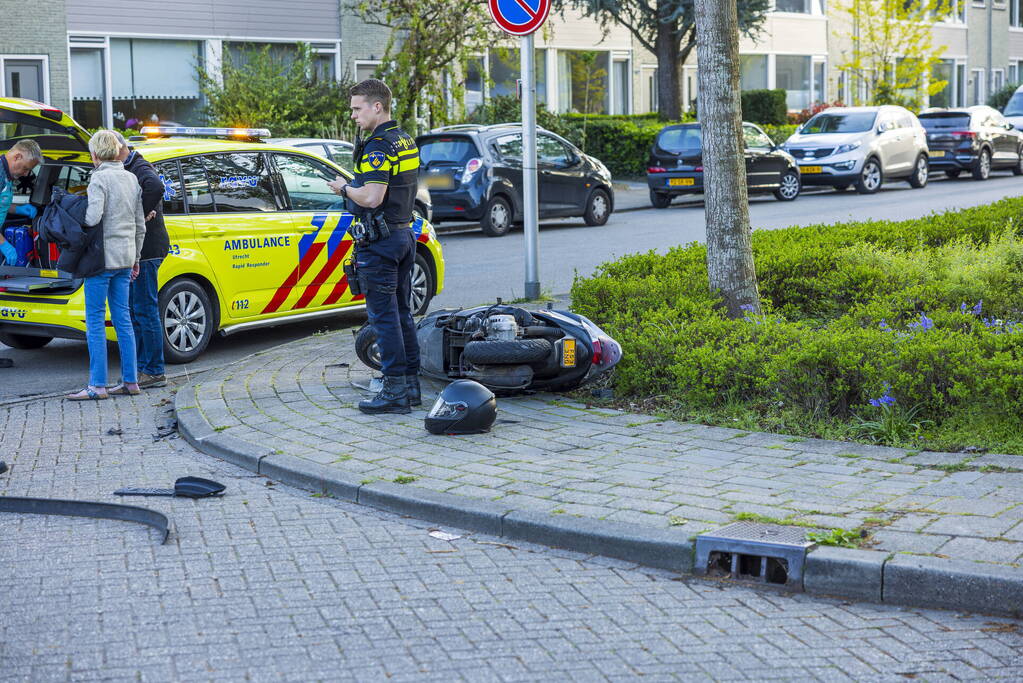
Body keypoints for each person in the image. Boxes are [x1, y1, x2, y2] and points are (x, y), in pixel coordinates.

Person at [328, 79, 421, 415]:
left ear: (377, 106)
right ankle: (410, 385)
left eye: (357, 108)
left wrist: (343, 188)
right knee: (401, 313)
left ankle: (394, 390)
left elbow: (371, 196)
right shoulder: (404, 140)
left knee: (384, 319)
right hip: (402, 236)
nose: (353, 115)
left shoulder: (379, 147)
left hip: (380, 242)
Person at [67, 130, 146, 401]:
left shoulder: (99, 178)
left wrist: (73, 211)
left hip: (101, 261)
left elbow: (92, 217)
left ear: (95, 155)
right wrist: (135, 259)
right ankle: (130, 381)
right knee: (123, 319)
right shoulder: (131, 178)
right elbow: (140, 224)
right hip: (125, 258)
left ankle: (97, 386)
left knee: (96, 321)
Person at [114, 133, 169, 388]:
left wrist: (140, 213)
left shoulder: (139, 166)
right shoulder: (131, 166)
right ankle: (140, 368)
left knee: (145, 310)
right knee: (137, 310)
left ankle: (154, 370)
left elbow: (157, 187)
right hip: (140, 249)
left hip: (148, 250)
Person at [0, 140, 44, 368]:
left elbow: (1, 205)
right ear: (16, 157)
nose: (25, 174)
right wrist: (5, 245)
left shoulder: (5, 175)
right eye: (25, 168)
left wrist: (21, 209)